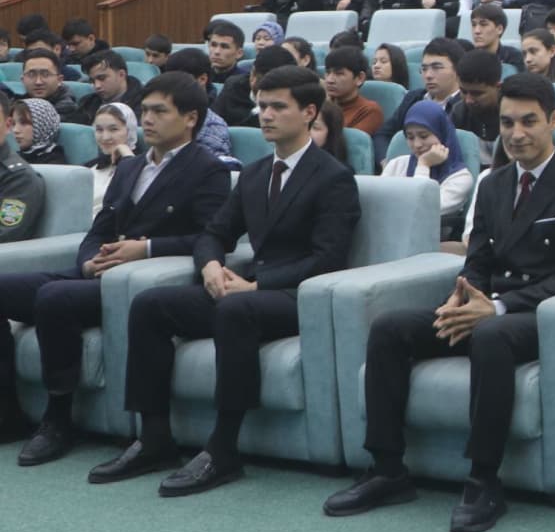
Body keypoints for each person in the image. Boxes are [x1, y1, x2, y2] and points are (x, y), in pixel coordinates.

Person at [327, 72, 555, 532]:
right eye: (508, 123)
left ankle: (482, 479)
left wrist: (493, 309)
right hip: (483, 306)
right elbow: (477, 261)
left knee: (492, 336)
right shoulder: (493, 183)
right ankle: (386, 467)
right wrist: (462, 299)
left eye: (529, 122)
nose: (516, 134)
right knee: (391, 327)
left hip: (535, 316)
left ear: (554, 121)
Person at [92, 67, 361, 495]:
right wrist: (211, 266)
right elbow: (214, 233)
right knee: (150, 305)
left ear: (309, 111)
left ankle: (223, 449)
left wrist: (258, 285)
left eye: (278, 106)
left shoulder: (333, 177)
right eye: (262, 105)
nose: (265, 115)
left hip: (297, 296)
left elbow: (327, 259)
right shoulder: (253, 173)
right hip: (246, 290)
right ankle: (155, 436)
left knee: (236, 308)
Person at [0, 75, 229, 462]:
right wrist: (87, 260)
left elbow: (211, 237)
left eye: (160, 111)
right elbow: (101, 226)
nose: (149, 119)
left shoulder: (208, 169)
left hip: (143, 281)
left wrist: (147, 248)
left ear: (190, 118)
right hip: (98, 273)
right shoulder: (129, 166)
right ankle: (7, 411)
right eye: (145, 111)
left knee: (56, 297)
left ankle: (59, 418)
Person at [378, 98, 474, 241]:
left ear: (442, 134)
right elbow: (378, 204)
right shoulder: (396, 164)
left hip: (431, 245)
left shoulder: (460, 178)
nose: (417, 144)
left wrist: (423, 165)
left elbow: (420, 209)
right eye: (410, 137)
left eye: (424, 136)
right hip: (387, 235)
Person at [86, 102, 139, 208]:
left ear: (129, 131)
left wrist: (126, 155)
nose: (105, 137)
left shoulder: (142, 167)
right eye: (99, 129)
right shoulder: (89, 168)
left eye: (113, 129)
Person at [322, 46, 385, 135]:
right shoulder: (321, 106)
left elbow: (348, 144)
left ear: (359, 78)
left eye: (339, 73)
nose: (329, 80)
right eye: (328, 73)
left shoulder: (369, 111)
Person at [8, 99, 64, 165]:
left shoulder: (54, 163)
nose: (15, 130)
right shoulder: (14, 157)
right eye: (13, 124)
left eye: (24, 123)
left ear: (42, 124)